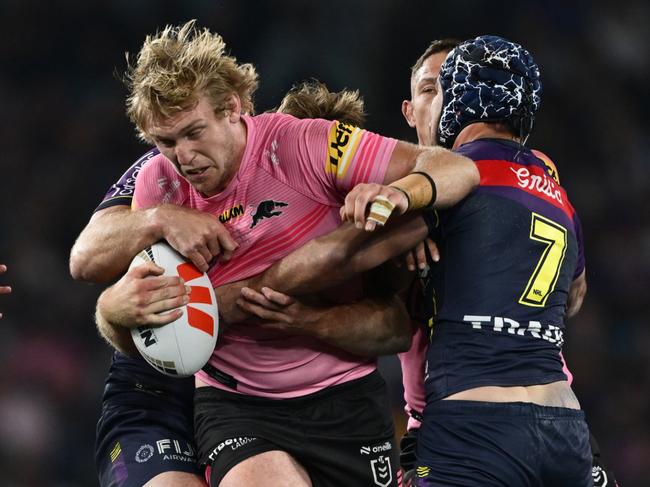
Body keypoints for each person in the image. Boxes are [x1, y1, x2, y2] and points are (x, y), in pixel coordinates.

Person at [99, 19, 478, 487]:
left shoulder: (309, 147)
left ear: (232, 109)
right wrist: (111, 307)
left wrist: (407, 198)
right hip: (235, 406)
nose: (183, 156)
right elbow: (88, 264)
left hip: (347, 404)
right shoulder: (158, 182)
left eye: (193, 133)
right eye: (167, 142)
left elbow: (392, 325)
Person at [73, 81, 416, 487]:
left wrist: (401, 225)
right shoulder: (179, 167)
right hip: (161, 393)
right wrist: (157, 221)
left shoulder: (360, 218)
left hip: (273, 400)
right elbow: (85, 257)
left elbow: (392, 326)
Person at [358, 35, 593, 485]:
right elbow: (574, 296)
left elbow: (367, 265)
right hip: (564, 424)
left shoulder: (450, 174)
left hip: (475, 426)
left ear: (455, 100)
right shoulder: (556, 191)